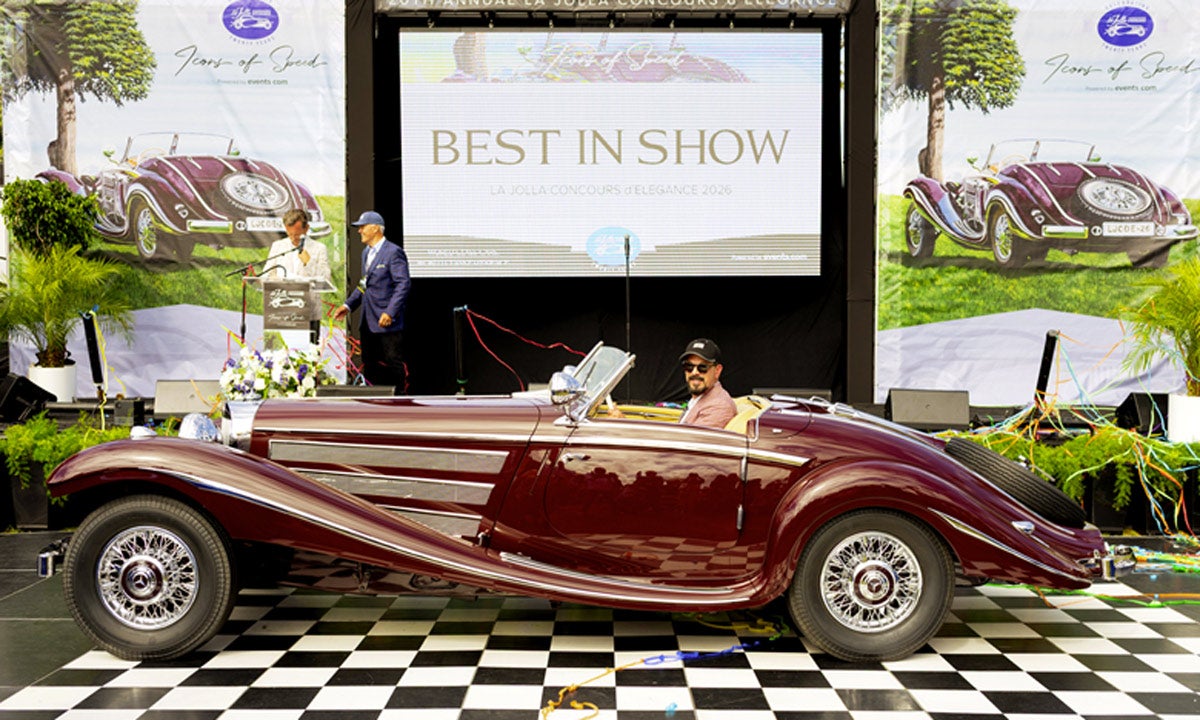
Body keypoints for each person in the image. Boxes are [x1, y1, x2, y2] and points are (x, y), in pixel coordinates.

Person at [334, 211, 410, 389]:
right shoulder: (366, 253)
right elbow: (364, 284)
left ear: (375, 228)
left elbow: (403, 284)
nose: (359, 231)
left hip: (387, 321)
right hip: (368, 320)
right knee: (369, 364)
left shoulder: (393, 252)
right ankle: (374, 402)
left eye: (362, 227)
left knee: (392, 362)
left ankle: (399, 400)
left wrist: (390, 312)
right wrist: (348, 305)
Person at [677, 338, 737, 429]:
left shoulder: (718, 407)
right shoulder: (701, 398)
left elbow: (689, 441)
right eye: (689, 366)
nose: (694, 372)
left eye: (702, 367)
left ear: (717, 371)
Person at [263, 208, 331, 284]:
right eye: (290, 234)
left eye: (297, 234)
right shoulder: (278, 246)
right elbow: (267, 274)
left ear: (306, 228)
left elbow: (326, 278)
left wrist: (309, 262)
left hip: (308, 295)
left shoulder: (319, 248)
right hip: (282, 294)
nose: (293, 238)